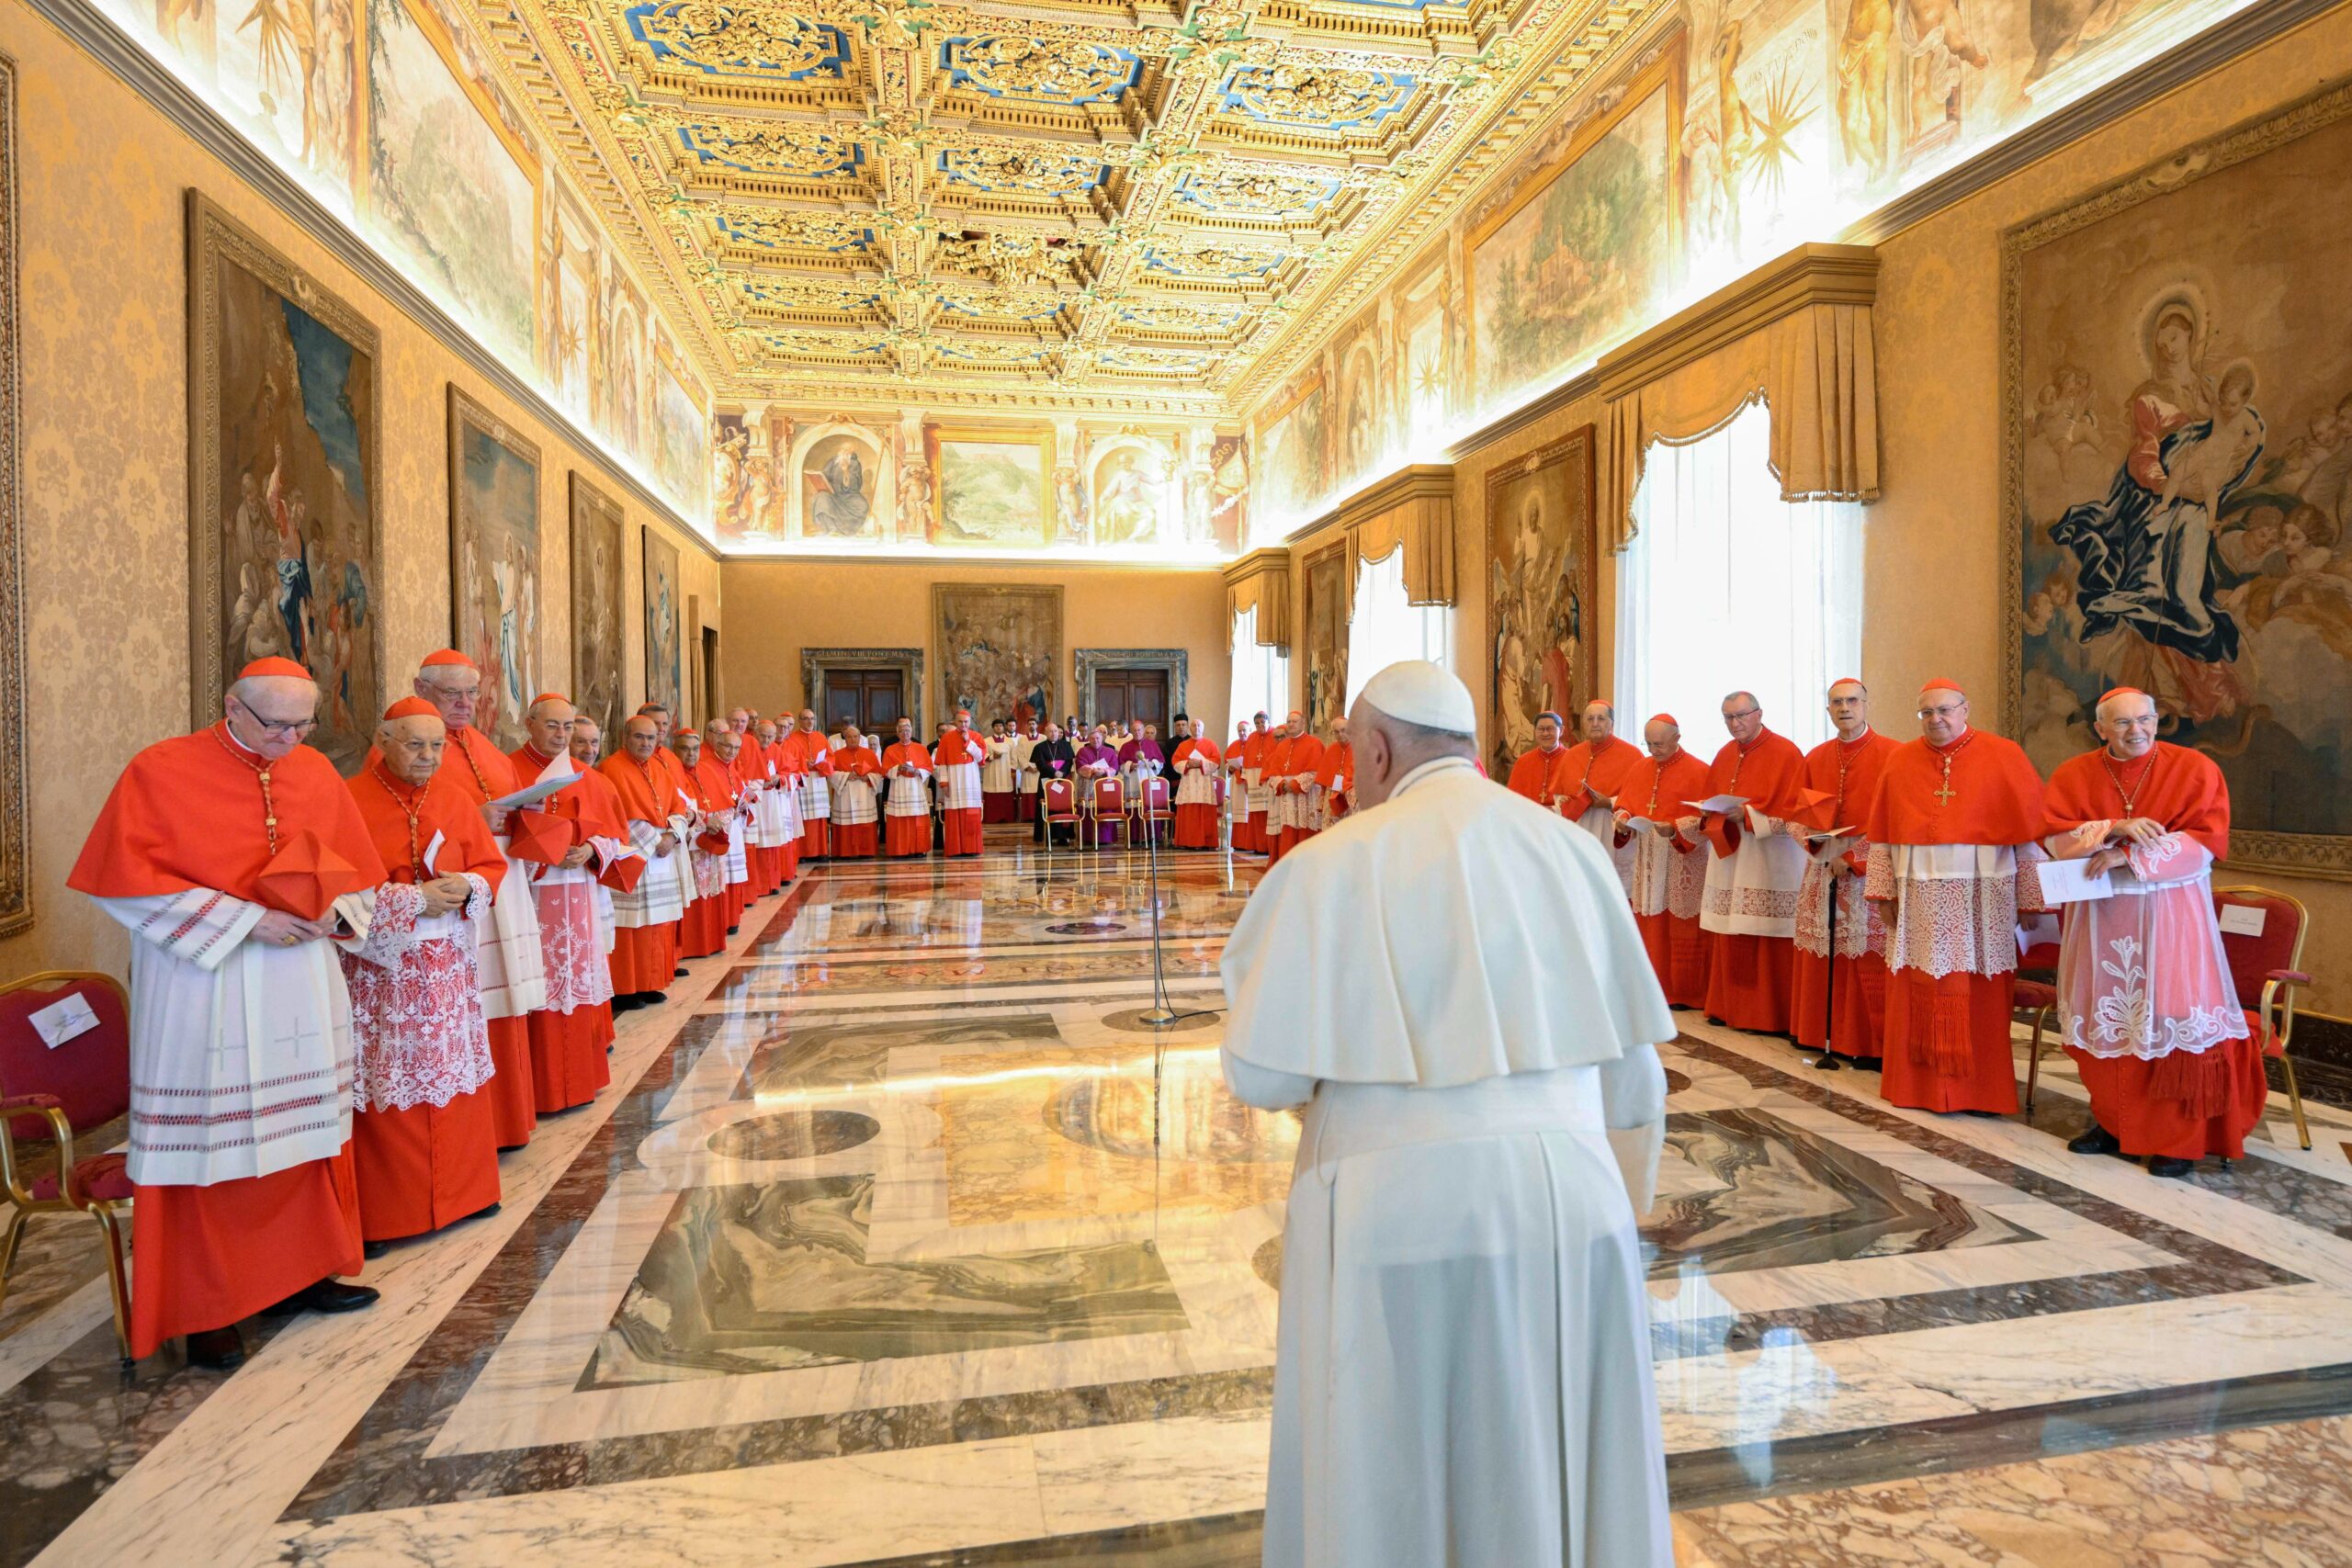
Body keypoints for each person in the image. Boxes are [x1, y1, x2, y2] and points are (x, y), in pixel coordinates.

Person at [1221, 660, 1673, 1568]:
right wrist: (1624, 1198)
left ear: (1377, 749)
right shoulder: (1571, 851)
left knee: (1394, 1474)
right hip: (1569, 1198)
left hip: (1398, 1212)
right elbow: (1634, 1079)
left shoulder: (1328, 863)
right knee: (1550, 1454)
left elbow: (1261, 1077)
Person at [69, 657, 380, 1370]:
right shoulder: (161, 770)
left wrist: (336, 914)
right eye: (275, 725)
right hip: (204, 985)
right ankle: (206, 1305)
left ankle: (299, 1275)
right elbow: (124, 887)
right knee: (213, 1146)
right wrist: (245, 921)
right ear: (233, 709)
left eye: (304, 725)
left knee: (302, 1136)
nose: (290, 741)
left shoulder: (314, 771)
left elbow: (357, 873)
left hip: (299, 980)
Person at [2043, 687, 2260, 1175]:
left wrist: (2127, 853)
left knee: (2168, 1021)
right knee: (2107, 1020)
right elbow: (2055, 838)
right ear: (2100, 729)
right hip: (2099, 917)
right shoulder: (2073, 774)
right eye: (2121, 723)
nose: (2135, 731)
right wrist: (2113, 827)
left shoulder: (2195, 769)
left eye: (2144, 720)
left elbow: (2205, 842)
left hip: (2170, 915)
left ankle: (2174, 1140)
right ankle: (2114, 1124)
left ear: (2158, 720)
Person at [342, 698, 504, 1249]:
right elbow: (338, 893)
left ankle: (467, 1191)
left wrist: (469, 887)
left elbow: (489, 867)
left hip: (448, 967)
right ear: (383, 740)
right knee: (388, 1074)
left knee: (452, 1065)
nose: (429, 756)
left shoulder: (455, 799)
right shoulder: (349, 801)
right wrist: (410, 899)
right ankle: (392, 1210)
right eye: (415, 744)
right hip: (383, 970)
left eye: (437, 746)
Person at [1865, 680, 2050, 1114]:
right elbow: (1882, 836)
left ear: (1965, 709)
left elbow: (2028, 837)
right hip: (1917, 903)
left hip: (1984, 900)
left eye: (1945, 710)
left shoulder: (2003, 755)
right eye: (1926, 713)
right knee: (1917, 988)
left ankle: (1981, 1091)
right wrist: (1882, 892)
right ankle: (1916, 1087)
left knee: (1982, 992)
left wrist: (2030, 900)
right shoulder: (1900, 760)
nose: (1936, 720)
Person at [414, 650, 547, 1149]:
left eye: (472, 692)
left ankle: (511, 1119)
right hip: (454, 899)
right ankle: (484, 1128)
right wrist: (477, 816)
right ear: (421, 688)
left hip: (501, 888)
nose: (466, 703)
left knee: (506, 998)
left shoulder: (485, 748)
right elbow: (409, 823)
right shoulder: (408, 744)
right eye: (453, 693)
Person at [508, 694, 620, 1111]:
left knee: (578, 986)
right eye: (552, 726)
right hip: (529, 900)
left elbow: (614, 835)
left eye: (567, 727)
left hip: (579, 898)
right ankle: (542, 1089)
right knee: (537, 987)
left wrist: (591, 849)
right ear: (529, 723)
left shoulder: (587, 777)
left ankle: (580, 1082)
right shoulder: (509, 770)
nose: (561, 735)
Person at [1792, 680, 1902, 1065]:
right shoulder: (1816, 756)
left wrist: (1855, 857)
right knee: (1825, 947)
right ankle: (1822, 1032)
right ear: (1828, 710)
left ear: (1867, 705)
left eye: (1852, 700)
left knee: (1866, 953)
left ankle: (1867, 1043)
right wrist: (1818, 846)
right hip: (1824, 864)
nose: (1845, 707)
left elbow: (1896, 819)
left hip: (1871, 867)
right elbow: (1798, 814)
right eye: (1836, 702)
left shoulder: (1893, 754)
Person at [1696, 691, 1809, 1035]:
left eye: (1741, 716)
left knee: (1765, 933)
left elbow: (1793, 811)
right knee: (1731, 928)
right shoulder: (1724, 754)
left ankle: (1768, 1015)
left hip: (1768, 858)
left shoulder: (1786, 752)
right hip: (1731, 854)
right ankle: (1728, 1008)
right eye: (1728, 718)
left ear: (1759, 714)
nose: (1735, 724)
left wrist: (1745, 813)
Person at [1615, 714, 1713, 1009]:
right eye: (1649, 744)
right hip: (1648, 856)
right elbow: (1624, 803)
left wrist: (1676, 827)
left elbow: (1707, 817)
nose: (1653, 750)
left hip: (1683, 858)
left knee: (1681, 923)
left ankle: (1683, 992)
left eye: (1659, 744)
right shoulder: (1640, 768)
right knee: (1651, 922)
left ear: (1677, 739)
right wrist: (1621, 819)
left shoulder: (1699, 770)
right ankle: (1651, 986)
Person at [597, 716, 686, 1007]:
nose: (646, 743)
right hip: (632, 854)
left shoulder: (659, 767)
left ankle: (649, 983)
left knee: (656, 923)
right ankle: (625, 988)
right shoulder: (612, 768)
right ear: (625, 737)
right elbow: (619, 816)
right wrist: (655, 841)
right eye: (639, 737)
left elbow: (677, 805)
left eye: (651, 738)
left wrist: (672, 836)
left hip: (661, 853)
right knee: (630, 925)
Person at [1557, 701, 1643, 894]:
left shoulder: (1632, 754)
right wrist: (1564, 802)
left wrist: (1609, 802)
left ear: (1611, 723)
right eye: (1590, 719)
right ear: (1583, 724)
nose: (1595, 723)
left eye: (1601, 718)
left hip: (1612, 826)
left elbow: (1639, 797)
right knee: (1580, 887)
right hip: (1580, 826)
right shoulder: (1571, 755)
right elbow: (1560, 795)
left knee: (1612, 889)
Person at [705, 723, 754, 930]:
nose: (731, 752)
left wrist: (742, 805)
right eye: (727, 747)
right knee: (724, 874)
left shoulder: (732, 767)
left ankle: (733, 918)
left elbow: (738, 793)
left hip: (734, 828)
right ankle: (724, 921)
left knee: (734, 874)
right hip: (721, 828)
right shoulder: (706, 767)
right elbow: (707, 801)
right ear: (717, 744)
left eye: (736, 749)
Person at [934, 709, 989, 856]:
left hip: (971, 781)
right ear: (955, 722)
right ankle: (955, 849)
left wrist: (968, 742)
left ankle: (972, 848)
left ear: (970, 722)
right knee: (954, 816)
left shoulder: (976, 737)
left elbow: (980, 758)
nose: (963, 724)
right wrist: (944, 784)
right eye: (960, 721)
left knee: (971, 815)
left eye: (966, 722)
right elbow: (942, 764)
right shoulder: (946, 738)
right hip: (954, 780)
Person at [879, 717, 934, 857]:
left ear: (911, 731)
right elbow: (884, 770)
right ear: (897, 733)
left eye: (907, 730)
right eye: (902, 731)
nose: (905, 733)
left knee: (917, 818)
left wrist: (918, 771)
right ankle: (900, 849)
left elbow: (929, 768)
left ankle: (918, 848)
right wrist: (898, 767)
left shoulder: (921, 748)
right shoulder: (890, 750)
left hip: (916, 788)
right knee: (900, 820)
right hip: (898, 787)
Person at [829, 724, 886, 857]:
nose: (853, 739)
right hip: (845, 795)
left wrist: (868, 777)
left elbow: (879, 773)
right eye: (849, 737)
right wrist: (846, 775)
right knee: (846, 822)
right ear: (845, 738)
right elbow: (830, 775)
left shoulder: (869, 754)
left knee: (864, 823)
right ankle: (845, 851)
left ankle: (866, 851)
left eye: (855, 737)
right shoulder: (837, 755)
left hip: (864, 794)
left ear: (860, 738)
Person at [786, 708, 833, 861]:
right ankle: (803, 853)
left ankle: (820, 851)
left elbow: (832, 758)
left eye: (812, 718)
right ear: (800, 721)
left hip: (818, 780)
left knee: (819, 817)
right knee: (803, 817)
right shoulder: (792, 738)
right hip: (803, 781)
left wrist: (825, 762)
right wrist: (804, 762)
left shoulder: (820, 737)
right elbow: (788, 760)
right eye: (806, 718)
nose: (809, 722)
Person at [1170, 715, 1224, 849]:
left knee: (1204, 812)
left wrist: (1201, 763)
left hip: (1204, 783)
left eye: (1199, 725)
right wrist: (1188, 764)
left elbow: (1217, 762)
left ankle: (1206, 841)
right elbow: (1175, 762)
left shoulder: (1211, 744)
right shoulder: (1183, 745)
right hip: (1188, 783)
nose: (1196, 728)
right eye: (1194, 725)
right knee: (1189, 813)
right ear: (1190, 728)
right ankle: (1187, 841)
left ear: (1203, 728)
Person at [1505, 710, 1575, 807]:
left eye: (1550, 729)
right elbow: (1512, 798)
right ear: (1535, 731)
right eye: (1541, 729)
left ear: (1561, 730)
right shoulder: (1523, 761)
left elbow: (1576, 799)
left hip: (1561, 819)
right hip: (1530, 818)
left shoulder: (1573, 759)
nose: (1545, 733)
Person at [1029, 721, 1079, 845]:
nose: (1054, 733)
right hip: (1046, 781)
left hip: (1062, 781)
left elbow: (1069, 762)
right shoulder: (1039, 747)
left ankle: (1064, 836)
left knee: (1063, 807)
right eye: (1051, 731)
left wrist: (1061, 773)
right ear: (1045, 733)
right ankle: (1046, 835)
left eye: (1056, 731)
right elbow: (1040, 763)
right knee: (1045, 806)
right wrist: (1053, 772)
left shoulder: (1066, 745)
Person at [1075, 724, 1121, 846]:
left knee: (1105, 809)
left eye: (1098, 739)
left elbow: (1115, 767)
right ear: (1089, 740)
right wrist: (1093, 770)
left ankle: (1106, 837)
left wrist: (1104, 771)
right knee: (1088, 810)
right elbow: (1080, 767)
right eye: (1093, 739)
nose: (1096, 741)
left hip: (1105, 787)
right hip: (1088, 787)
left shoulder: (1110, 751)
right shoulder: (1082, 751)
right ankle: (1088, 837)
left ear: (1102, 739)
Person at [1238, 711, 1275, 854]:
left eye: (1263, 723)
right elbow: (1246, 760)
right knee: (1256, 814)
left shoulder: (1275, 735)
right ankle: (1258, 845)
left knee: (1269, 813)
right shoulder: (1252, 737)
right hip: (1253, 778)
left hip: (1268, 777)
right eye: (1257, 724)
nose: (1260, 726)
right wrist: (1246, 781)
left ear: (1268, 722)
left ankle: (1269, 846)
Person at [1316, 717, 1353, 829]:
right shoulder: (1331, 749)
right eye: (1336, 732)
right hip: (1332, 795)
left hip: (1349, 795)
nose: (1340, 734)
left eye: (1343, 730)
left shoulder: (1358, 748)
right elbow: (1324, 781)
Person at [980, 718, 1017, 825]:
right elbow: (983, 755)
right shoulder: (986, 741)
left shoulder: (1010, 742)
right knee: (992, 794)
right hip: (991, 772)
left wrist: (1013, 770)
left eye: (1000, 726)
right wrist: (992, 757)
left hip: (1005, 773)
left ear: (1003, 727)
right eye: (996, 726)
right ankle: (992, 818)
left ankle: (1007, 817)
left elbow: (1014, 757)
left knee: (1006, 795)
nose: (999, 727)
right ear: (993, 728)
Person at [1012, 716, 1044, 826]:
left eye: (1033, 724)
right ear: (1027, 726)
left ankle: (1041, 815)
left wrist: (1039, 766)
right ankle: (1029, 816)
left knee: (1040, 792)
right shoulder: (1022, 739)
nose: (1031, 726)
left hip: (1040, 771)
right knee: (1028, 794)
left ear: (1037, 725)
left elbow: (1045, 754)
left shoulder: (1043, 738)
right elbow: (1019, 755)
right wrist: (1027, 766)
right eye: (1029, 724)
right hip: (1027, 771)